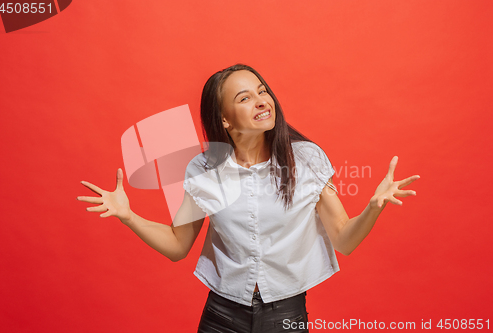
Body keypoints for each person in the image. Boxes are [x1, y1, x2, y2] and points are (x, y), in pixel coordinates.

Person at [77, 64, 419, 332]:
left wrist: (374, 208)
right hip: (221, 316)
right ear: (224, 119)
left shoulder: (307, 159)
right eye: (244, 98)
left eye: (262, 91)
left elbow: (344, 239)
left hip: (286, 316)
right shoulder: (204, 169)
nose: (261, 100)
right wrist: (128, 216)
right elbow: (178, 245)